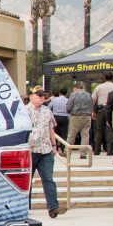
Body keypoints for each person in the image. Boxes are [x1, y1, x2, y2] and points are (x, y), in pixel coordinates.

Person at [27, 86, 63, 218]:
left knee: (48, 179)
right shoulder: (23, 111)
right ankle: (25, 208)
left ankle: (53, 207)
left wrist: (54, 145)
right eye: (39, 95)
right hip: (30, 150)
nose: (42, 98)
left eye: (43, 95)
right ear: (31, 96)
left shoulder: (47, 110)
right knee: (27, 181)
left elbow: (51, 128)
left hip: (46, 149)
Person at [92, 73, 113, 155]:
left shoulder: (99, 87)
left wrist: (93, 111)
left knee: (98, 130)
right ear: (112, 78)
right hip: (112, 109)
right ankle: (110, 150)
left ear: (104, 78)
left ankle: (96, 150)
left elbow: (93, 99)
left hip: (100, 109)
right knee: (110, 129)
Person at [65, 81, 93, 159]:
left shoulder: (74, 94)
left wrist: (69, 112)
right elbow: (91, 105)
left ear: (75, 87)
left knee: (71, 135)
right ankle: (83, 153)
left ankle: (67, 152)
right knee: (85, 135)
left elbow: (68, 107)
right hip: (87, 116)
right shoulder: (88, 95)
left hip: (76, 116)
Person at [50, 87, 69, 153]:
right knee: (64, 133)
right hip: (65, 118)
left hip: (55, 117)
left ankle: (55, 148)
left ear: (59, 93)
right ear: (66, 93)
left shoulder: (54, 100)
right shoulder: (67, 100)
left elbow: (49, 107)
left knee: (54, 133)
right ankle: (63, 149)